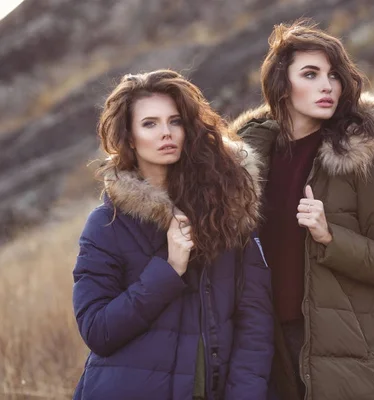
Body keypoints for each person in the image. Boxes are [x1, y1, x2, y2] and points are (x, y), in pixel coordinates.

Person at [231, 20, 374, 400]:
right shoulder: (248, 161)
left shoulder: (357, 157)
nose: (327, 85)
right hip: (265, 345)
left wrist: (330, 236)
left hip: (346, 349)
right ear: (283, 85)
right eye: (311, 74)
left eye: (334, 75)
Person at [72, 69, 273, 400]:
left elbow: (255, 326)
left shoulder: (229, 211)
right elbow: (98, 330)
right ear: (130, 137)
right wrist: (167, 269)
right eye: (149, 124)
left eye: (175, 121)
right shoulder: (107, 224)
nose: (165, 132)